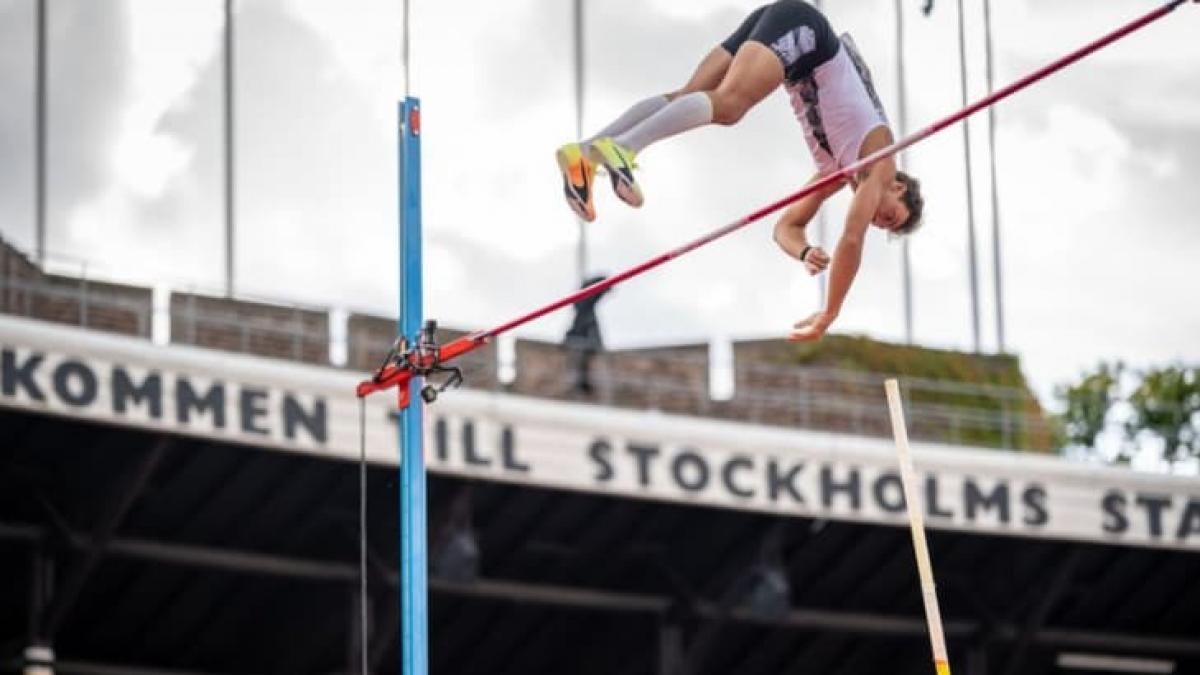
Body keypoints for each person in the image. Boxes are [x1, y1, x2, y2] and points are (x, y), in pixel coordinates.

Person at [555, 0, 925, 342]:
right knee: (730, 106)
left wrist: (803, 251)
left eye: (883, 225)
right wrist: (830, 313)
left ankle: (585, 155)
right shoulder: (882, 162)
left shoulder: (838, 169)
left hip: (788, 29)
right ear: (897, 186)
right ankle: (625, 148)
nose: (876, 218)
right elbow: (851, 239)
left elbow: (786, 226)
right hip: (805, 34)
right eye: (889, 215)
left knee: (689, 98)